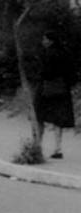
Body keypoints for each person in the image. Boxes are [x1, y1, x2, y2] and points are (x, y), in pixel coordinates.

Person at [35, 31, 76, 159]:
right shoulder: (65, 53)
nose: (43, 42)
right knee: (58, 119)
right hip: (62, 89)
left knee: (39, 116)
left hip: (46, 89)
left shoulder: (48, 54)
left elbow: (45, 72)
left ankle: (37, 146)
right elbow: (72, 73)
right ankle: (57, 148)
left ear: (50, 41)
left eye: (45, 39)